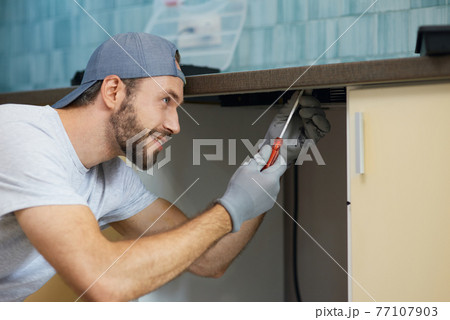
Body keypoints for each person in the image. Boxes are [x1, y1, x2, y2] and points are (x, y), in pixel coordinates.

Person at [0, 32, 329, 301]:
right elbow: (106, 283)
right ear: (113, 91)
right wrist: (227, 211)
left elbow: (208, 259)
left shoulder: (110, 176)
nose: (175, 125)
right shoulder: (24, 137)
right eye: (165, 100)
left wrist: (273, 158)